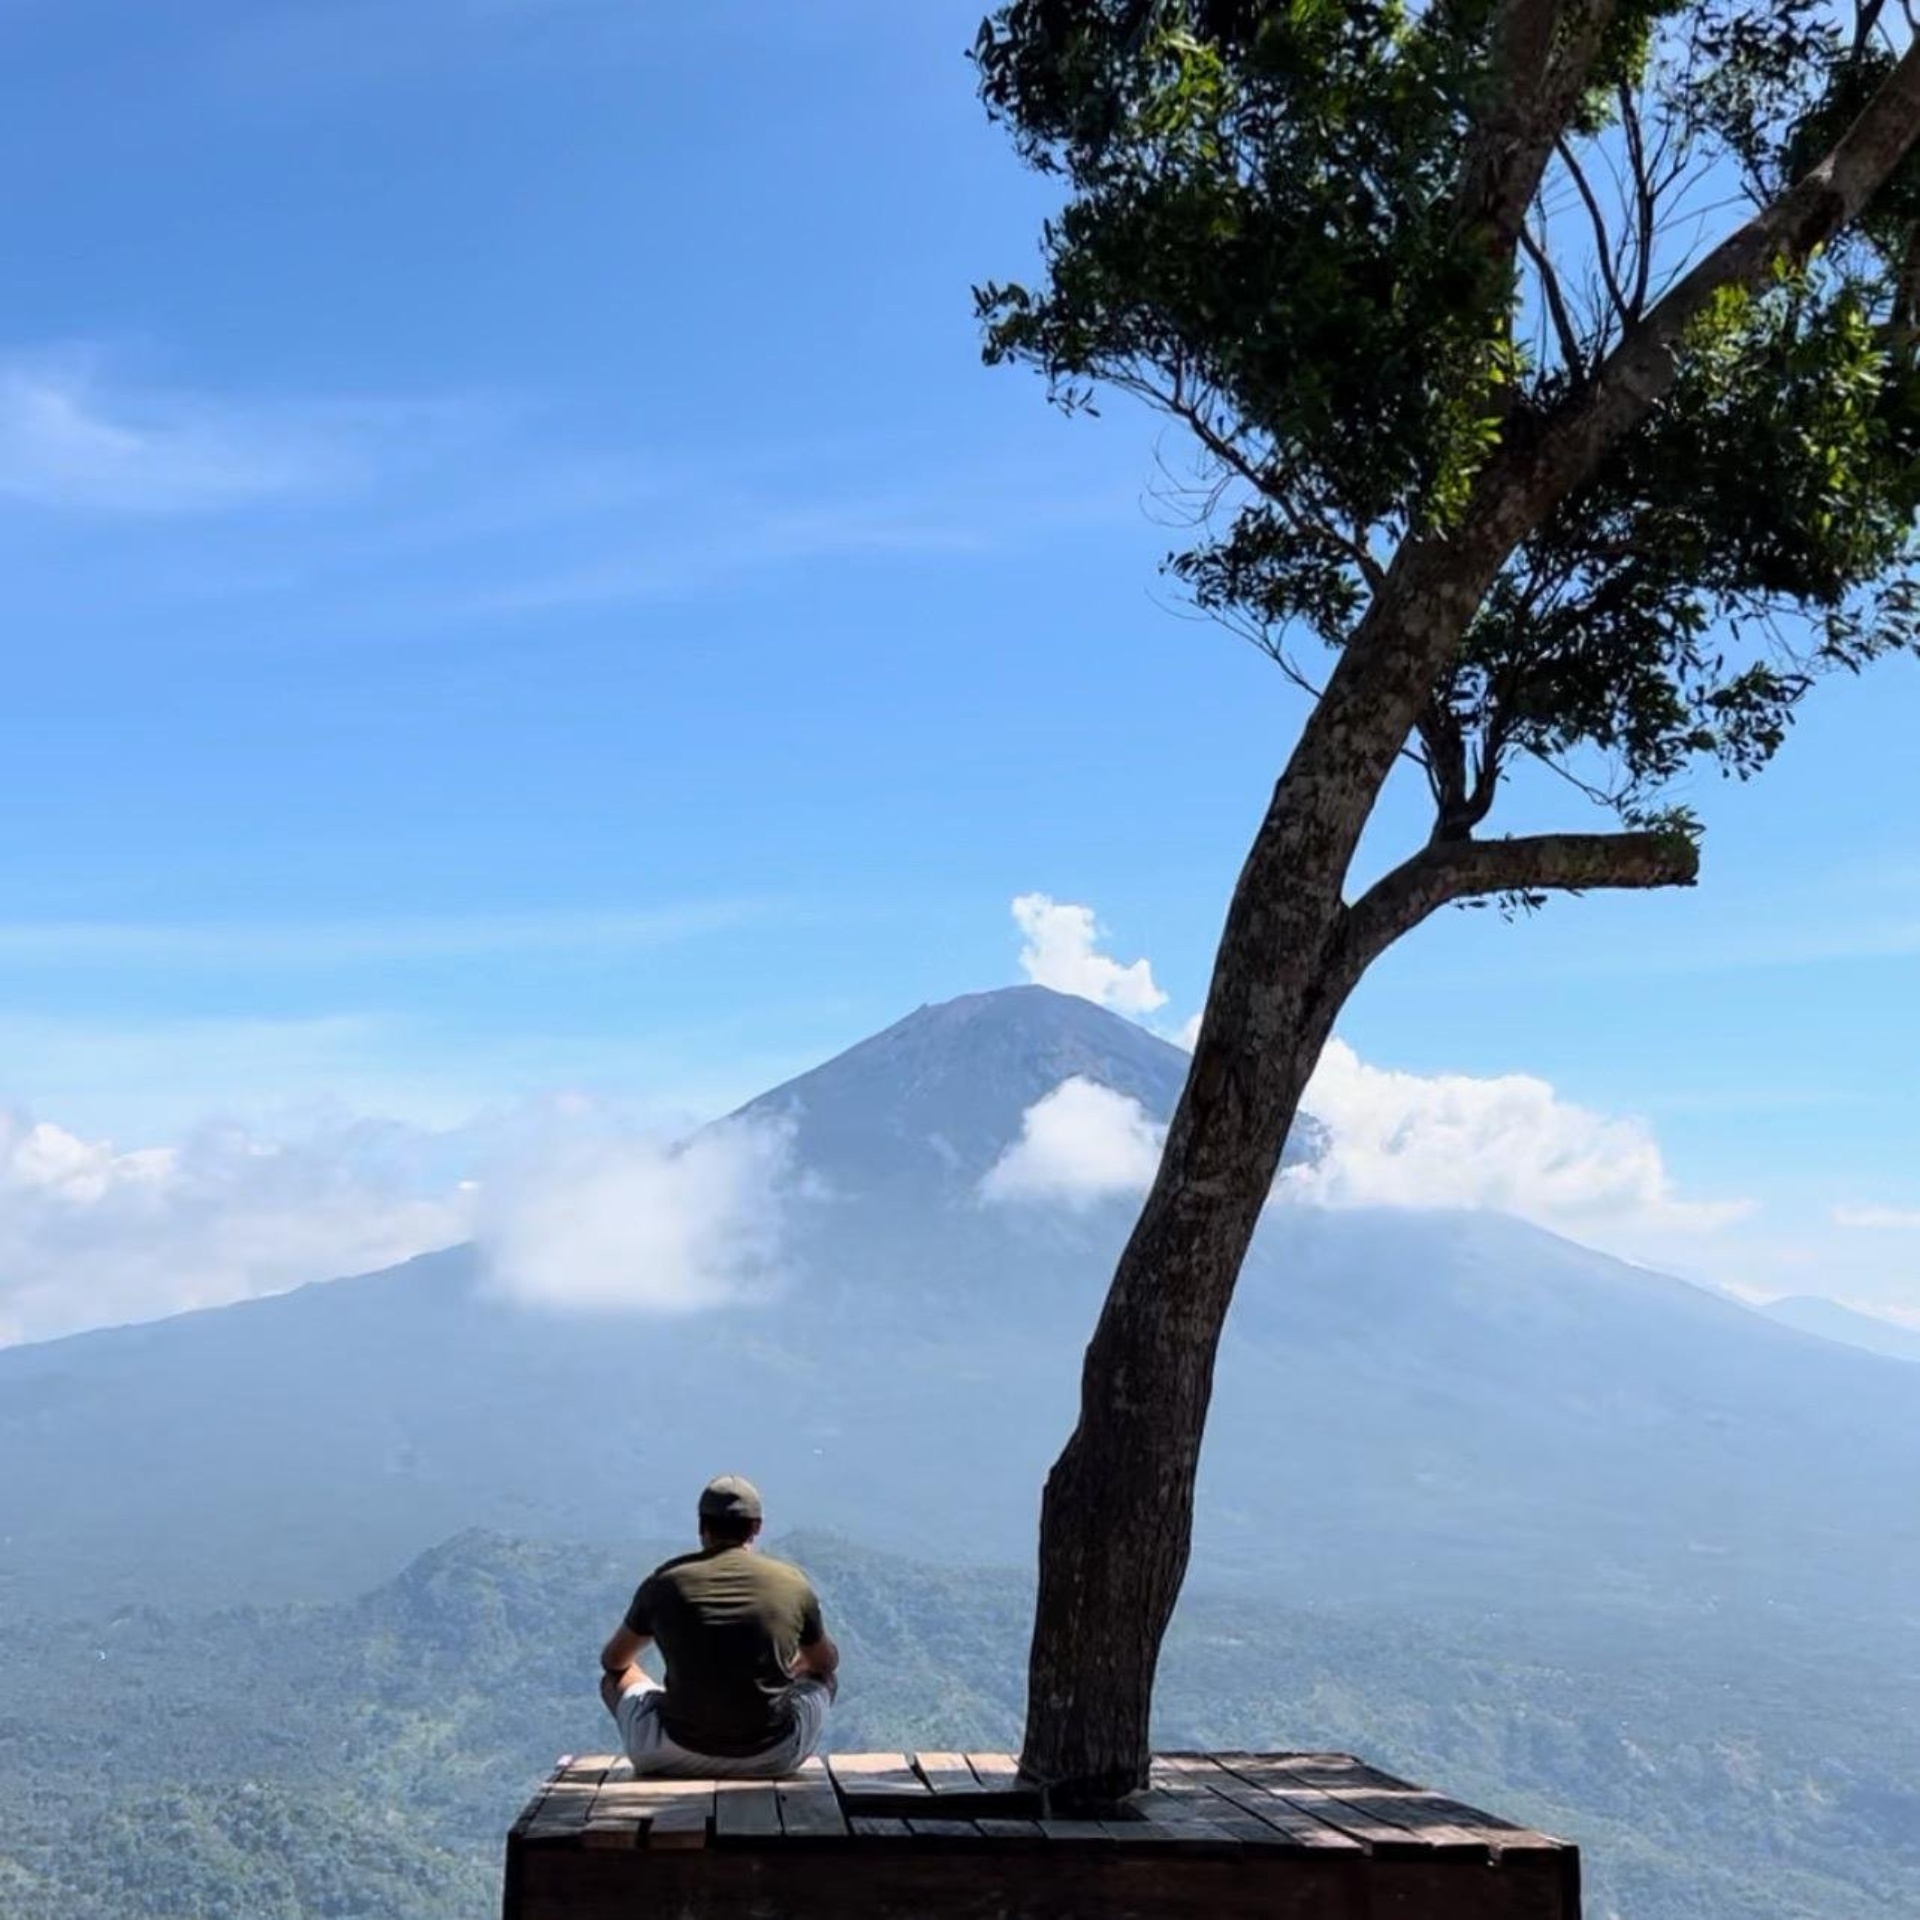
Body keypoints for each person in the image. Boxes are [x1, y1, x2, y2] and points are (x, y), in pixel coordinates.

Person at [598, 1474, 838, 1778]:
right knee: (823, 1676)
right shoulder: (792, 1583)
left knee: (615, 1677)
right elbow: (825, 1663)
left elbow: (613, 1660)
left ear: (702, 1526)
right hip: (773, 1756)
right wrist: (788, 1672)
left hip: (667, 1753)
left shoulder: (664, 1583)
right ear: (756, 1528)